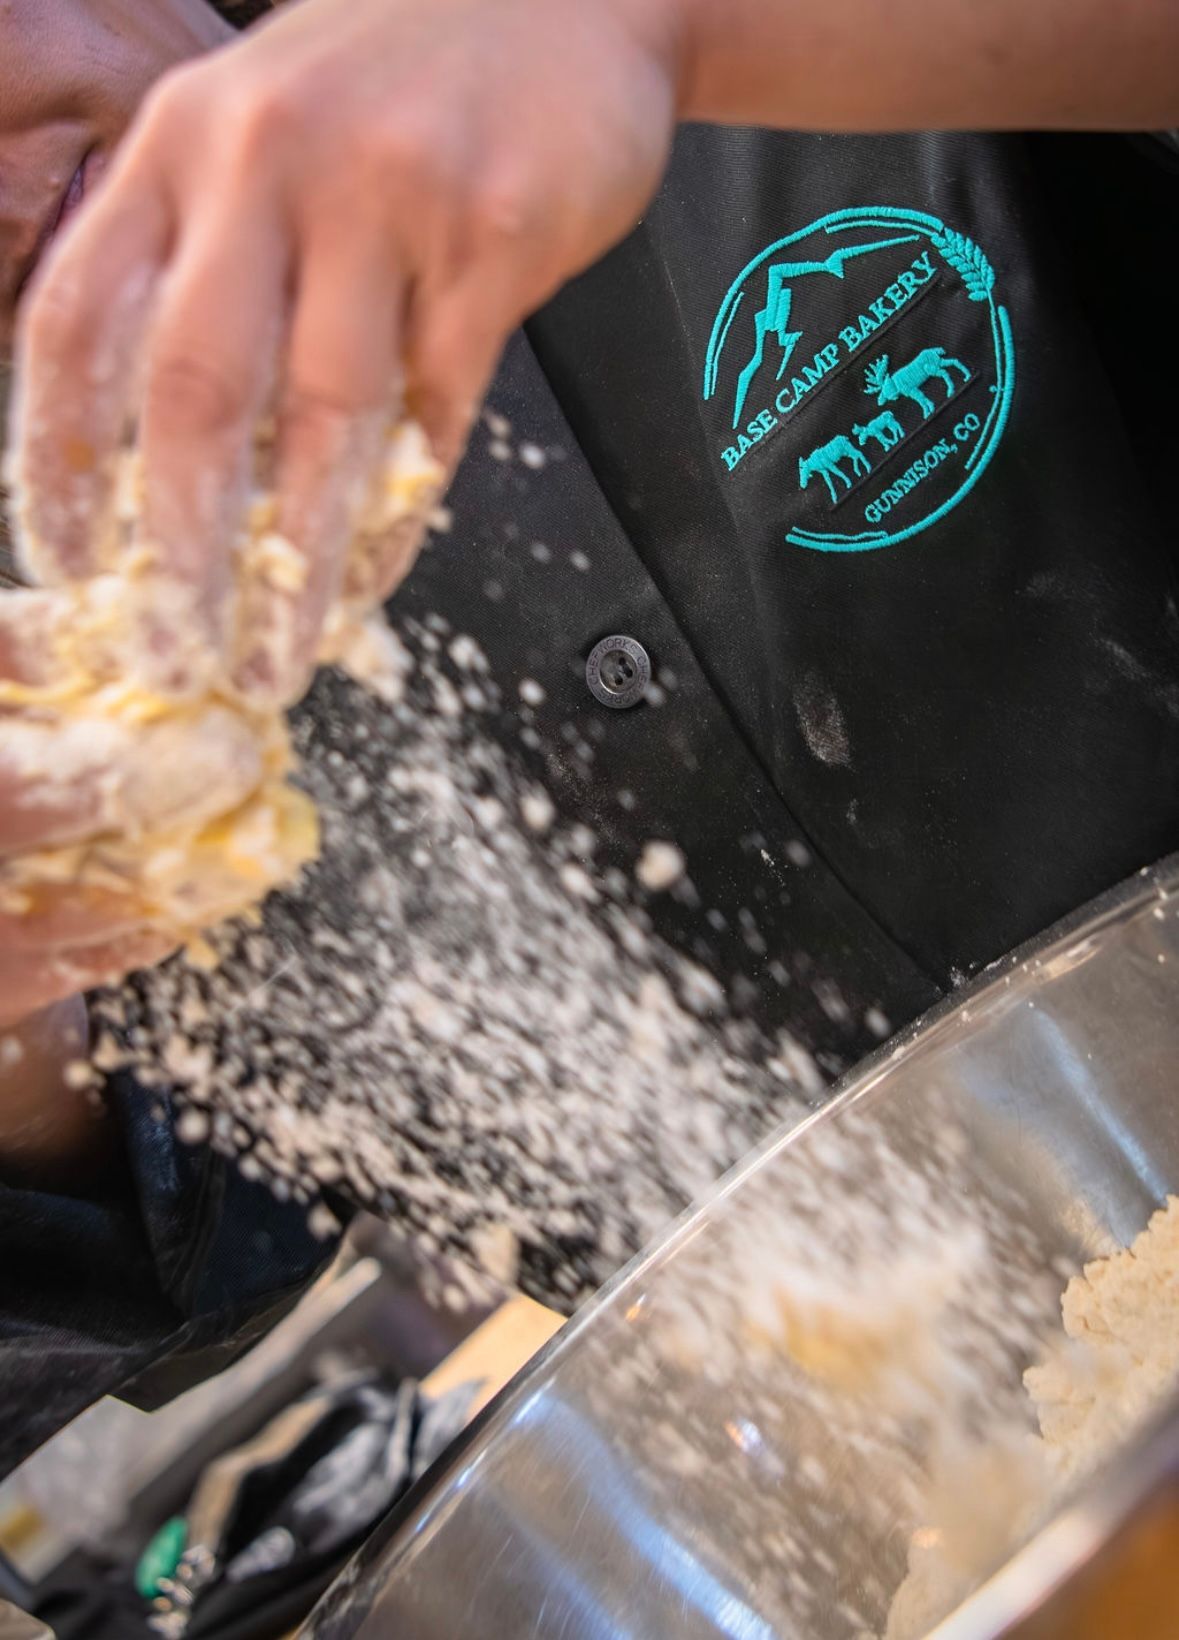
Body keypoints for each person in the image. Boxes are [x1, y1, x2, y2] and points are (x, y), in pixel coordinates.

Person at [1, 0, 1178, 1490]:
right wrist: (25, 1043)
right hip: (927, 1489)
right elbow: (213, 1224)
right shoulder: (49, 610)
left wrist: (676, 33)